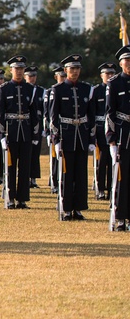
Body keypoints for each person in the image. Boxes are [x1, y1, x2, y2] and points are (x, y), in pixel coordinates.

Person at [50, 54, 94, 221]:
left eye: (77, 68)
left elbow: (91, 116)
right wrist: (56, 139)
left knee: (81, 174)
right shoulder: (58, 89)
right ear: (65, 70)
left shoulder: (86, 89)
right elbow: (53, 117)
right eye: (71, 69)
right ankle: (66, 208)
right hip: (66, 136)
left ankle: (79, 208)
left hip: (81, 136)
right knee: (67, 174)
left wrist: (91, 139)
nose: (74, 71)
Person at [0, 56, 40, 210]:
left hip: (26, 131)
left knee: (25, 167)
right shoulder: (4, 88)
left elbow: (34, 114)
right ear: (11, 70)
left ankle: (22, 199)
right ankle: (10, 198)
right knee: (10, 166)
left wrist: (35, 135)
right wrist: (1, 135)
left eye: (21, 69)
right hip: (11, 131)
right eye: (16, 68)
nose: (19, 71)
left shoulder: (30, 89)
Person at [106, 46, 130, 230]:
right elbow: (110, 113)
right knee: (122, 177)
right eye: (126, 61)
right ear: (121, 63)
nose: (129, 64)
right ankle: (120, 216)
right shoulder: (114, 83)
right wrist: (111, 139)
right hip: (123, 134)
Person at [91, 63, 117, 200]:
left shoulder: (116, 88)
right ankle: (100, 188)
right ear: (101, 75)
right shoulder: (96, 91)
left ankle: (112, 187)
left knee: (114, 161)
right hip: (100, 130)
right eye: (107, 74)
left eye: (112, 73)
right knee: (102, 161)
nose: (110, 76)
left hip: (113, 129)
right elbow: (92, 113)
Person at [46, 65, 66, 194]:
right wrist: (49, 132)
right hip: (55, 129)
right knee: (55, 159)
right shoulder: (51, 91)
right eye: (61, 76)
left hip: (67, 128)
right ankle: (54, 181)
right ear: (56, 77)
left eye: (65, 76)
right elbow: (48, 114)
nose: (63, 78)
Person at [25, 66, 44, 189]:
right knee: (26, 153)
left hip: (37, 124)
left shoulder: (41, 91)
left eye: (34, 76)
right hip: (25, 124)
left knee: (35, 153)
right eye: (30, 76)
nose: (32, 78)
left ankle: (33, 178)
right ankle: (25, 177)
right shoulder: (24, 89)